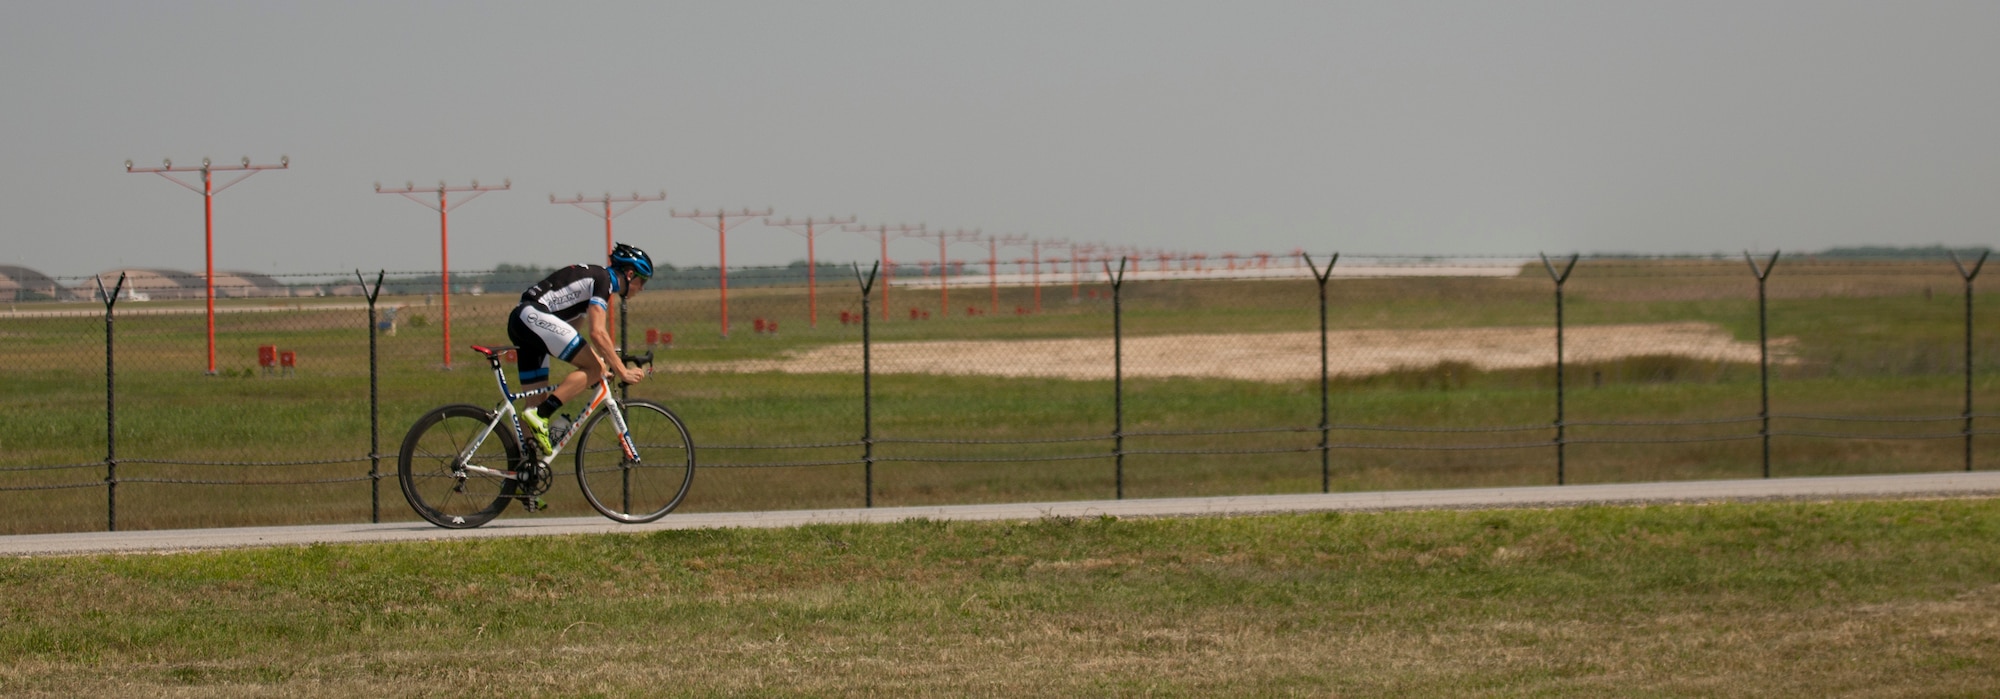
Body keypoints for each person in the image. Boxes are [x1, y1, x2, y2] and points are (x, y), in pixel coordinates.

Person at [508, 242, 653, 456]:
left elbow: (573, 335)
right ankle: (542, 415)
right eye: (642, 282)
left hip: (523, 320)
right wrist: (621, 370)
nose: (642, 288)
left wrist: (603, 363)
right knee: (591, 370)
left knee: (535, 402)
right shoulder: (604, 281)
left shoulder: (593, 284)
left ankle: (523, 472)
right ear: (630, 274)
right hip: (533, 317)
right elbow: (598, 333)